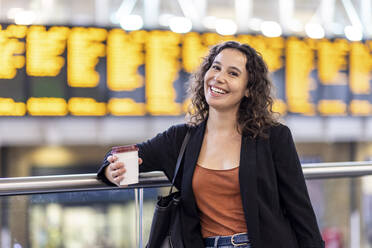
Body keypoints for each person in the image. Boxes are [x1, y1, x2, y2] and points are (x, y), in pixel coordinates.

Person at [97, 41, 325, 248]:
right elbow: (123, 156)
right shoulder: (181, 139)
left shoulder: (273, 138)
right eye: (215, 67)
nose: (219, 77)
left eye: (233, 73)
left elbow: (300, 211)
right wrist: (111, 168)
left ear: (248, 89)